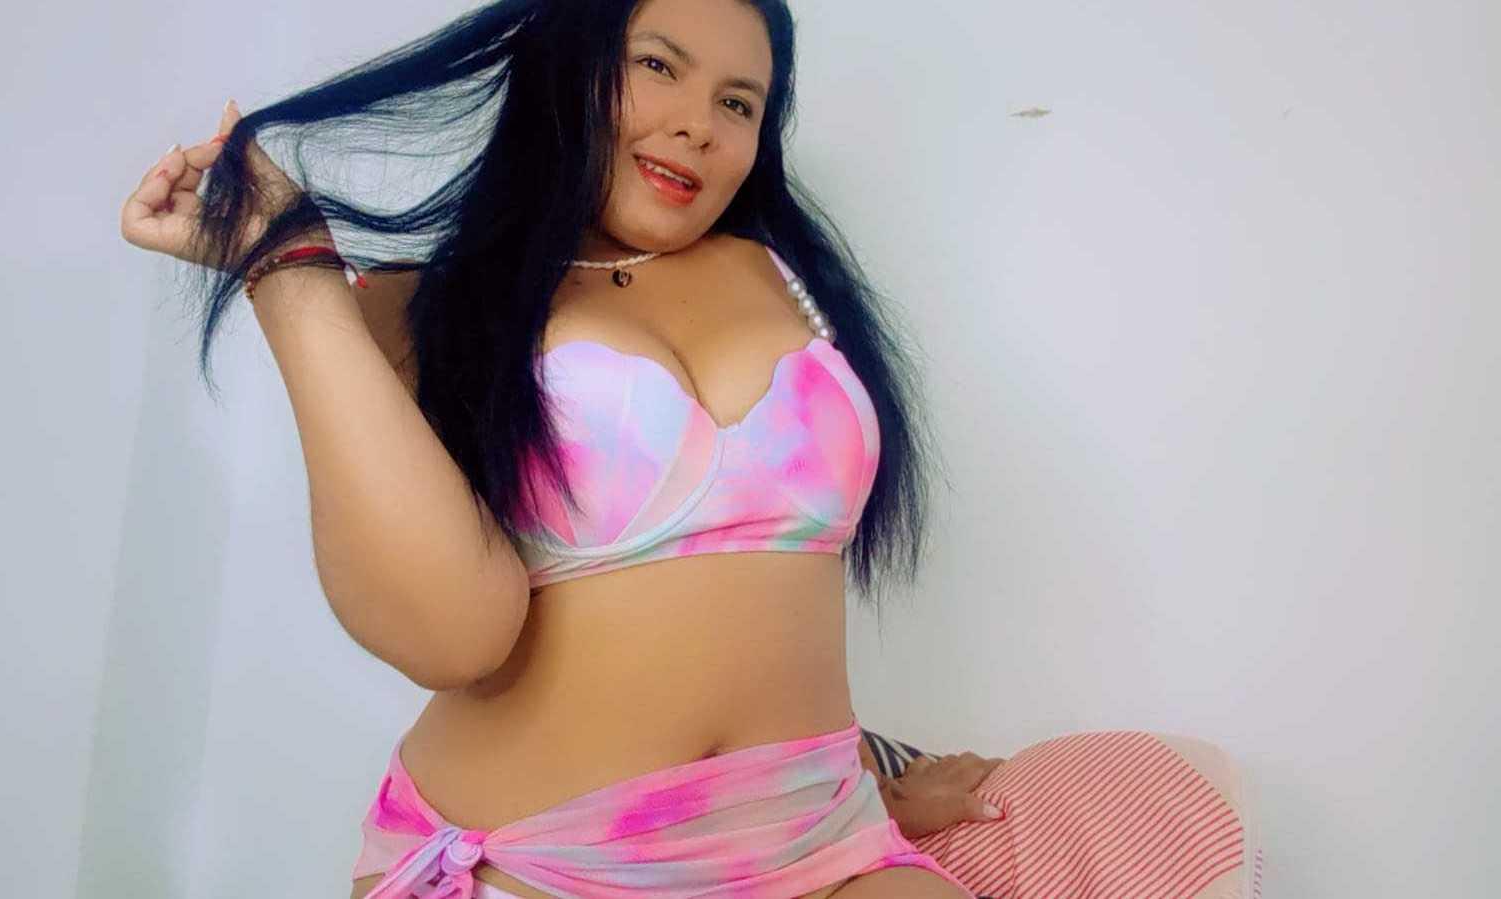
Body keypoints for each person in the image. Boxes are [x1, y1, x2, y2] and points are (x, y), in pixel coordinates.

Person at [120, 1, 1259, 897]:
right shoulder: (424, 311)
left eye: (739, 101)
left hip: (817, 844)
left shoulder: (789, 278)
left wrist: (867, 774)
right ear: (568, 67)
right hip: (548, 861)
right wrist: (289, 269)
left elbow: (759, 597)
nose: (698, 124)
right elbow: (449, 631)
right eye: (658, 66)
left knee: (1169, 797)